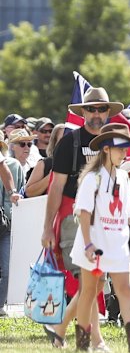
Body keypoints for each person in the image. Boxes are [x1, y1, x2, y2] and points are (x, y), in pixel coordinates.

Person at [41, 87, 124, 349]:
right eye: (91, 109)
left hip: (104, 222)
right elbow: (55, 187)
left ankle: (60, 329)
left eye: (101, 109)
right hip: (72, 219)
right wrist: (47, 228)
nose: (96, 114)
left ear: (108, 112)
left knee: (96, 281)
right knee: (92, 280)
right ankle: (93, 340)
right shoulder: (70, 142)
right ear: (83, 112)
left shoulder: (115, 144)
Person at [70, 123, 130, 351]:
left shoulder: (125, 177)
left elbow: (128, 216)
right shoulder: (92, 178)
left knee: (124, 289)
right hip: (95, 243)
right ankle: (83, 344)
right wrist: (87, 243)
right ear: (106, 148)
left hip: (118, 243)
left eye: (126, 149)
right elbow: (84, 213)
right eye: (121, 149)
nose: (125, 154)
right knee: (88, 292)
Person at [0, 134, 25, 317]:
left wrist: (12, 192)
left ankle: (0, 307)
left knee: (7, 269)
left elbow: (4, 170)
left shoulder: (11, 165)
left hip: (5, 222)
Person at [25, 124, 65, 197]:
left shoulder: (83, 164)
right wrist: (51, 176)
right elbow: (29, 192)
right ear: (55, 142)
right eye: (63, 139)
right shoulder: (44, 164)